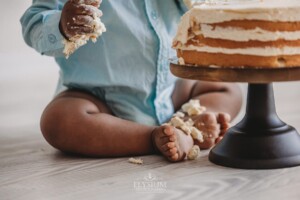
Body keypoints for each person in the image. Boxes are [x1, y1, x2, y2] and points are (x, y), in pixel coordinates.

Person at [21, 0, 242, 162]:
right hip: (99, 101)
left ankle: (186, 125)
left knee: (226, 87)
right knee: (59, 120)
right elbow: (34, 23)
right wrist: (63, 25)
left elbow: (202, 11)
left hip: (171, 90)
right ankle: (153, 137)